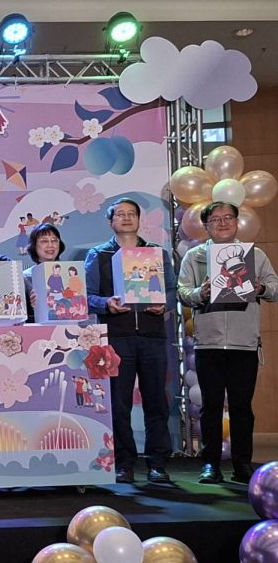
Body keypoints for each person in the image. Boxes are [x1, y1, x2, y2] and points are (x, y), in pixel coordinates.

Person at [177, 202, 278, 484]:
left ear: (236, 222)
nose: (222, 223)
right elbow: (182, 291)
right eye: (215, 219)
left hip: (244, 343)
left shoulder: (254, 255)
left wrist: (260, 288)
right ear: (206, 225)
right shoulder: (196, 256)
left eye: (228, 218)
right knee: (210, 406)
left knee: (241, 406)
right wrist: (201, 292)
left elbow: (275, 288)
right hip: (208, 343)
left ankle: (242, 464)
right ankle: (210, 464)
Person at [85, 197, 176, 484]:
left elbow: (172, 290)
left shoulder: (157, 253)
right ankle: (124, 462)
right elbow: (87, 295)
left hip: (152, 337)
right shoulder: (98, 254)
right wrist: (106, 303)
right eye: (120, 214)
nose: (126, 218)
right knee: (119, 404)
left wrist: (164, 303)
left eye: (131, 214)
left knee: (156, 403)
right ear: (110, 221)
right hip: (116, 338)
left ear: (139, 219)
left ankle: (157, 463)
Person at [22, 223, 66, 323]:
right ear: (34, 246)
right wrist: (31, 306)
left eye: (54, 240)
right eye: (44, 241)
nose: (50, 245)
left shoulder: (70, 272)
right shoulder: (25, 277)